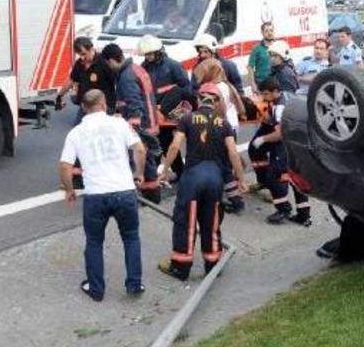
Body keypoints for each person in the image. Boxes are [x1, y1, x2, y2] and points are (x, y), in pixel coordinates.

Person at [58, 89, 147, 301]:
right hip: (123, 191)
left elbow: (64, 165)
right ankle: (134, 284)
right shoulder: (119, 124)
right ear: (104, 104)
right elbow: (140, 150)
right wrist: (139, 174)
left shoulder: (76, 133)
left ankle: (96, 288)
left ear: (83, 108)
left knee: (94, 241)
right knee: (131, 237)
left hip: (95, 195)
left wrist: (70, 189)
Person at [157, 83, 248, 280]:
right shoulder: (223, 124)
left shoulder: (187, 118)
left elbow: (174, 147)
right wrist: (241, 180)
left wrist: (164, 171)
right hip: (215, 179)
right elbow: (233, 153)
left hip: (192, 179)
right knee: (211, 221)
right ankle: (213, 263)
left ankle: (181, 267)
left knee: (185, 222)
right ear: (216, 102)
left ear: (198, 100)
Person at [101, 43, 162, 203]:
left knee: (141, 161)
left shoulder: (126, 77)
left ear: (112, 60)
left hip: (141, 126)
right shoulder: (136, 68)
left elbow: (134, 105)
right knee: (148, 161)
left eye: (107, 64)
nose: (108, 68)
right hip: (150, 121)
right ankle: (151, 194)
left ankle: (150, 197)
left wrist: (132, 130)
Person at [249, 78, 311, 226]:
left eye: (266, 94)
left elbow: (280, 134)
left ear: (275, 92)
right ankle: (304, 215)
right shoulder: (283, 97)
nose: (264, 97)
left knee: (274, 176)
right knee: (296, 178)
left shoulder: (280, 107)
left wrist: (262, 139)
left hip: (288, 143)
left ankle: (284, 208)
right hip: (300, 141)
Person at [193, 59, 247, 214]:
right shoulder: (225, 84)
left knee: (223, 166)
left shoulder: (211, 89)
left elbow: (213, 111)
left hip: (219, 129)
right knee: (225, 162)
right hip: (230, 126)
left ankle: (236, 201)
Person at [139, 34, 192, 182]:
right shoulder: (144, 67)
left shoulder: (173, 66)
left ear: (158, 51)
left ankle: (158, 176)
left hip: (168, 114)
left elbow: (185, 89)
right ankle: (178, 173)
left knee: (163, 143)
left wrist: (172, 106)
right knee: (161, 143)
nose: (148, 57)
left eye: (150, 54)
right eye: (146, 54)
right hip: (152, 113)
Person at [56, 37, 117, 125]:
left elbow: (116, 83)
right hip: (86, 105)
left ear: (91, 49)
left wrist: (117, 108)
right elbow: (71, 80)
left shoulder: (104, 63)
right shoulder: (79, 64)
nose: (82, 57)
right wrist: (60, 95)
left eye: (84, 54)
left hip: (103, 106)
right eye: (79, 55)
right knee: (78, 131)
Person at [248, 22, 276, 91]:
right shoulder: (256, 48)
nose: (269, 33)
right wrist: (253, 84)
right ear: (262, 33)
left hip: (275, 83)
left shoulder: (278, 46)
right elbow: (250, 67)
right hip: (261, 83)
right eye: (266, 31)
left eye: (271, 30)